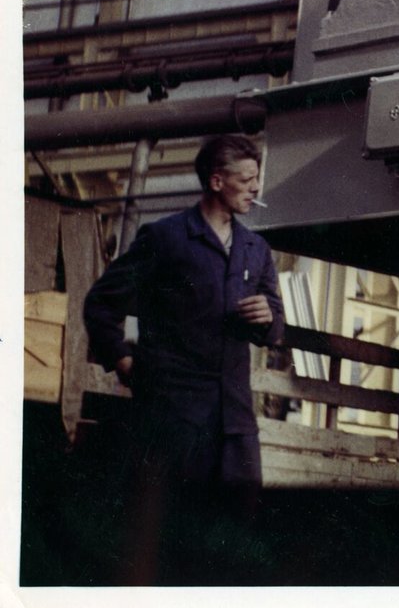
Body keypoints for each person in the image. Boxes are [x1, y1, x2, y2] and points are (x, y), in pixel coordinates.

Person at [84, 133, 285, 579]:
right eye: (246, 179)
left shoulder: (256, 249)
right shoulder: (166, 238)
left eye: (257, 179)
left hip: (234, 421)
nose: (255, 188)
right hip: (173, 416)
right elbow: (101, 301)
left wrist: (266, 317)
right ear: (216, 181)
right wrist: (122, 359)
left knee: (237, 528)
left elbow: (276, 331)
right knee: (170, 533)